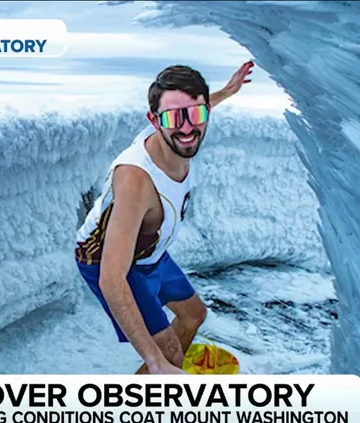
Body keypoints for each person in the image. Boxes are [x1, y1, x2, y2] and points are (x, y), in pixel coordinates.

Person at [76, 62, 254, 376]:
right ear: (154, 121)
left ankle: (166, 374)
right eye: (173, 118)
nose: (186, 128)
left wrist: (227, 91)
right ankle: (134, 411)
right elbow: (111, 278)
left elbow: (188, 109)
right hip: (108, 260)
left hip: (149, 252)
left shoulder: (177, 124)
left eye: (196, 113)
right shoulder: (136, 180)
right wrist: (156, 360)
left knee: (193, 315)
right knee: (166, 352)